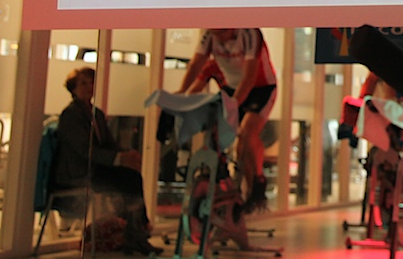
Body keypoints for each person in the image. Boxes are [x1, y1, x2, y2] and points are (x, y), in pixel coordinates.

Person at [54, 67, 159, 255]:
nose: (89, 87)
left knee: (131, 177)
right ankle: (136, 231)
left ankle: (134, 232)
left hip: (96, 168)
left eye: (92, 82)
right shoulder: (71, 114)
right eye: (83, 83)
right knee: (129, 180)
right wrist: (117, 159)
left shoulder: (97, 114)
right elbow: (83, 150)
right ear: (73, 88)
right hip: (80, 171)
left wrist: (127, 155)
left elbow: (109, 144)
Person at [177, 29, 278, 210]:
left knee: (247, 133)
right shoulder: (209, 40)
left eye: (223, 33)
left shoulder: (249, 34)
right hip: (232, 88)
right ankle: (222, 179)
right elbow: (195, 67)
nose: (220, 39)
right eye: (216, 35)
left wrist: (232, 106)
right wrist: (182, 96)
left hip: (260, 87)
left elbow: (249, 76)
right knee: (214, 130)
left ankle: (256, 181)